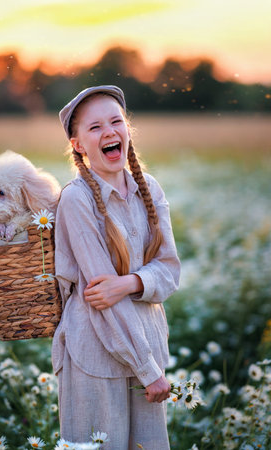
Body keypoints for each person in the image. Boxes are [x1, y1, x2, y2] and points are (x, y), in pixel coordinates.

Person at [52, 85, 181, 449]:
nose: (109, 132)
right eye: (94, 128)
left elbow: (169, 271)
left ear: (127, 131)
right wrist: (148, 371)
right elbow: (100, 298)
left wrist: (128, 283)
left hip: (147, 347)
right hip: (94, 354)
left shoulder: (149, 188)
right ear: (78, 145)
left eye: (115, 122)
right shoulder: (76, 200)